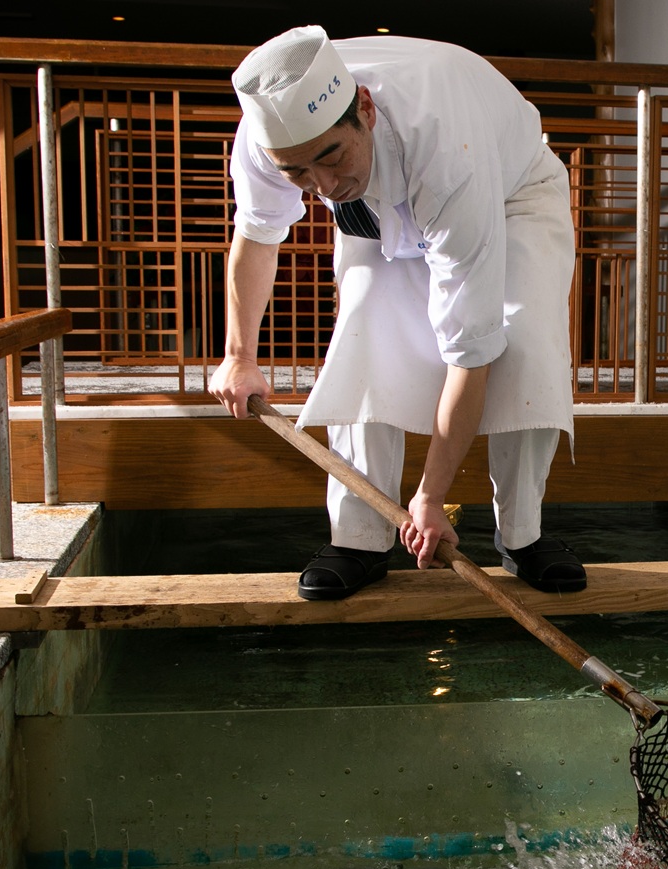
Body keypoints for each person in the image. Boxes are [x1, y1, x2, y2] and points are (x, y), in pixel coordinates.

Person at [208, 25, 587, 601]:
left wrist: (432, 499)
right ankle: (359, 539)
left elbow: (470, 350)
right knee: (365, 337)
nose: (325, 187)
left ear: (364, 108)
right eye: (299, 173)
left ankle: (522, 536)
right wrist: (239, 356)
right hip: (387, 209)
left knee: (523, 340)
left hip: (512, 191)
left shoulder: (444, 144)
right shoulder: (265, 142)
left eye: (331, 157)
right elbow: (257, 237)